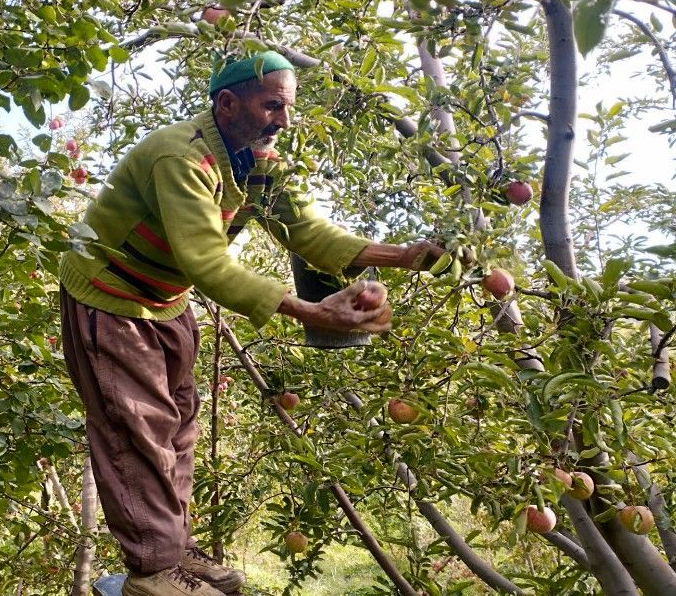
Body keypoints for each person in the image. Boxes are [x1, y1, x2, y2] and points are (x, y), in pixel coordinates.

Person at [58, 51, 446, 596]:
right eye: (273, 106)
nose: (283, 121)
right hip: (109, 296)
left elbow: (310, 233)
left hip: (165, 300)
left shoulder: (259, 160)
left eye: (287, 108)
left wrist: (402, 255)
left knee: (179, 426)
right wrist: (312, 312)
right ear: (227, 103)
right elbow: (208, 263)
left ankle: (176, 552)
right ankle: (152, 568)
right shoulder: (181, 158)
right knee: (136, 427)